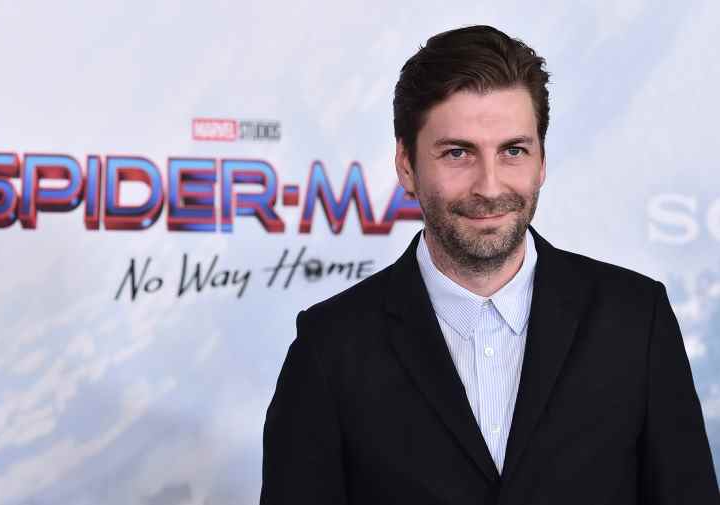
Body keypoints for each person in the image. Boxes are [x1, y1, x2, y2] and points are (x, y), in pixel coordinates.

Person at [259, 25, 720, 504]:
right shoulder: (330, 347)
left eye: (513, 151)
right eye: (458, 153)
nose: (490, 186)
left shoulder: (634, 320)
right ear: (406, 166)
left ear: (541, 161)